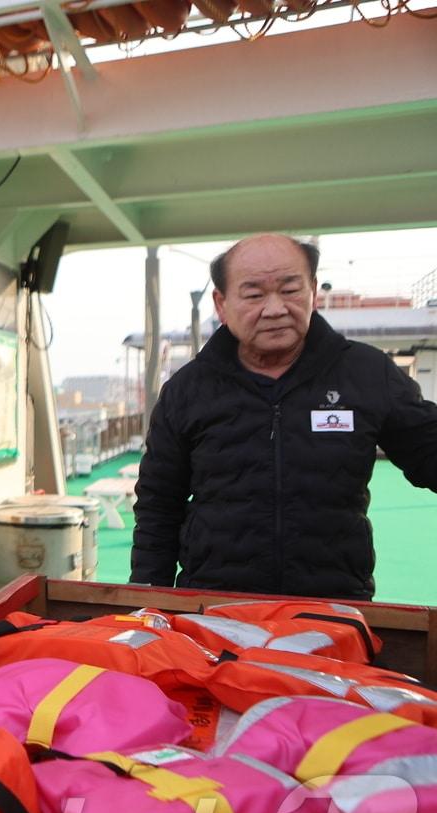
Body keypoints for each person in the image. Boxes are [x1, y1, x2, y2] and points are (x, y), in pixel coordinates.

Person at [131, 233, 437, 600]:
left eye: (290, 290)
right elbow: (158, 505)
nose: (275, 308)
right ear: (222, 303)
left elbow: (427, 450)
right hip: (213, 608)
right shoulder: (187, 390)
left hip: (332, 605)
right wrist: (148, 600)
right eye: (254, 294)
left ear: (313, 292)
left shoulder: (367, 372)